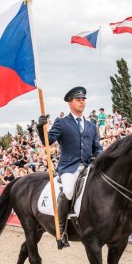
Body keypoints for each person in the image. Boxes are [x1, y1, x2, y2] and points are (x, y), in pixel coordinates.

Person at [37, 86, 103, 250]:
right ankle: (61, 230)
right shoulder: (62, 122)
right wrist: (41, 127)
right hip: (69, 167)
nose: (82, 102)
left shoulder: (91, 126)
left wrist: (101, 158)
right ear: (70, 103)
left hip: (88, 166)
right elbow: (48, 141)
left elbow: (97, 148)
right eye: (78, 100)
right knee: (67, 191)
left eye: (83, 100)